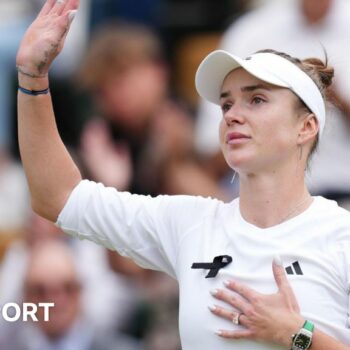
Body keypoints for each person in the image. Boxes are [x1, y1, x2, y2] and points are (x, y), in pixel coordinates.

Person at [16, 1, 350, 350]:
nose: (233, 115)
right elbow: (56, 196)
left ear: (306, 126)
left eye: (257, 100)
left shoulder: (342, 237)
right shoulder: (189, 223)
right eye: (226, 104)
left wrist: (296, 334)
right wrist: (32, 77)